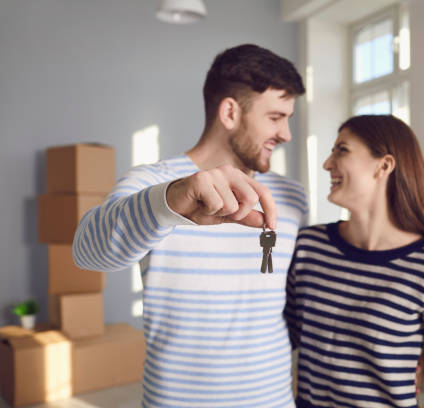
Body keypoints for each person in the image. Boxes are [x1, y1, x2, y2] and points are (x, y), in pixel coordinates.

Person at [73, 44, 307, 408]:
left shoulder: (292, 198)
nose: (286, 134)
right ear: (230, 112)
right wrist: (169, 202)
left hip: (273, 399)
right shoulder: (153, 184)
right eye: (276, 117)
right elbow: (87, 253)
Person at [284, 115, 424, 408]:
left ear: (384, 165)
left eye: (341, 150)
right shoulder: (309, 246)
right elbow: (279, 339)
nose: (327, 163)